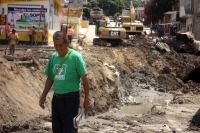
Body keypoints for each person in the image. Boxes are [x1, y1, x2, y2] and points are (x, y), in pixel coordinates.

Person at [39, 31, 91, 133]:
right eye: (55, 45)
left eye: (61, 45)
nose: (58, 48)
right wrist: (43, 95)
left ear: (67, 43)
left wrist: (87, 99)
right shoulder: (54, 57)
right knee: (57, 129)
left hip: (71, 100)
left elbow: (85, 78)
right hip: (57, 100)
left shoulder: (76, 57)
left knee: (69, 130)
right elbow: (50, 78)